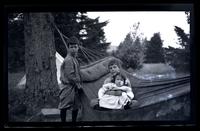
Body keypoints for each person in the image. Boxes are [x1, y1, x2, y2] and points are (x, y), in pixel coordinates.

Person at [58, 36, 82, 123]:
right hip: (67, 87)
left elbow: (76, 72)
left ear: (78, 48)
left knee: (75, 107)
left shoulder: (74, 59)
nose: (73, 49)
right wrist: (78, 84)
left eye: (75, 47)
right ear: (68, 48)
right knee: (64, 106)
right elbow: (70, 75)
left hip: (74, 87)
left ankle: (74, 122)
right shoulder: (68, 60)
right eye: (71, 47)